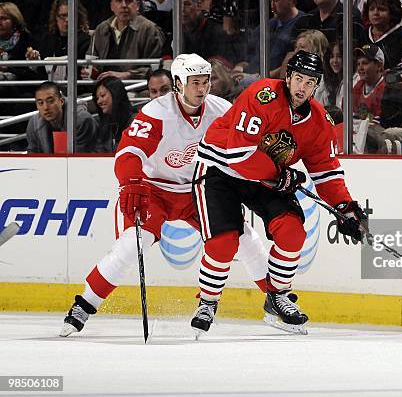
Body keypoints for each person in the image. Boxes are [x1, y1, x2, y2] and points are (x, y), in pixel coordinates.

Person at [59, 54, 270, 337]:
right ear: (179, 83)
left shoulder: (222, 110)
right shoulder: (157, 111)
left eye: (205, 82)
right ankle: (84, 305)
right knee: (131, 246)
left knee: (246, 239)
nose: (202, 89)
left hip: (199, 189)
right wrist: (131, 182)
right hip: (154, 188)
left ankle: (275, 300)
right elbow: (129, 152)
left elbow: (241, 149)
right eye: (195, 82)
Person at [191, 50, 367, 335]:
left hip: (265, 176)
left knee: (292, 231)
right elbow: (238, 152)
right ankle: (208, 301)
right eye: (298, 79)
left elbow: (326, 170)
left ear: (317, 85)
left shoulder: (319, 121)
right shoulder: (263, 95)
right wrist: (279, 175)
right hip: (220, 168)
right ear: (287, 77)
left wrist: (346, 208)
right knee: (223, 243)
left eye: (310, 82)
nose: (302, 87)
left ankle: (277, 297)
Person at [85, 0, 165, 81]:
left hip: (137, 88)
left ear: (137, 5)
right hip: (104, 88)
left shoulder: (150, 30)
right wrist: (89, 71)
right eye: (119, 1)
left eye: (128, 0)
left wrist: (128, 75)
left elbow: (157, 69)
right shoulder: (101, 29)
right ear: (112, 6)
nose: (124, 5)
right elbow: (90, 62)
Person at [26, 81, 97, 154]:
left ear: (61, 101)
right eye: (40, 103)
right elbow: (33, 154)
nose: (45, 107)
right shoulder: (34, 124)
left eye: (50, 101)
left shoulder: (82, 120)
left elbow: (84, 156)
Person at [92, 76, 134, 153]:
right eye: (97, 98)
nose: (99, 101)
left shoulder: (135, 122)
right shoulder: (104, 124)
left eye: (102, 96)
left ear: (116, 94)